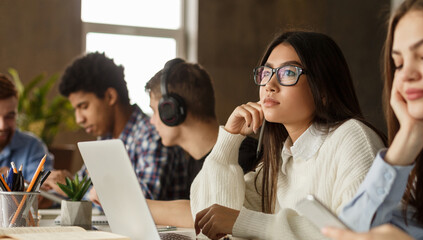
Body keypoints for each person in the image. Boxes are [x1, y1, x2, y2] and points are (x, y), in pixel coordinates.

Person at [191, 31, 387, 240]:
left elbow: (357, 234)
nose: (269, 85)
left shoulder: (352, 138)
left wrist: (246, 223)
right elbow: (213, 224)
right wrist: (228, 141)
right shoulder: (278, 161)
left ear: (323, 89)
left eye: (288, 73)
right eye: (266, 73)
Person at [322, 0, 423, 239]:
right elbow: (350, 231)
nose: (407, 74)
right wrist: (409, 137)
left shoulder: (351, 135)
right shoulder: (418, 170)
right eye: (398, 63)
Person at [43, 52, 188, 200]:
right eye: (76, 109)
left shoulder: (153, 135)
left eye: (84, 106)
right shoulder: (104, 140)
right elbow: (77, 189)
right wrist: (49, 191)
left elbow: (141, 203)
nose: (79, 119)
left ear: (110, 97)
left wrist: (72, 189)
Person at [141, 58, 259, 227]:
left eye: (154, 111)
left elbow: (212, 214)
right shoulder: (193, 161)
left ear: (171, 111)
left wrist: (126, 202)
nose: (151, 121)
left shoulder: (241, 153)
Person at [0, 73, 53, 181]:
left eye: (10, 116)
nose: (2, 126)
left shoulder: (33, 146)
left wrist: (15, 182)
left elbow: (43, 192)